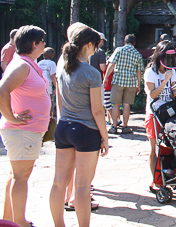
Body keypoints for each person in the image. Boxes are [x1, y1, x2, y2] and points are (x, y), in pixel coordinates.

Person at [49, 24, 108, 226]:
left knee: (58, 183)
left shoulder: (62, 67)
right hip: (85, 131)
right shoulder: (91, 73)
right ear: (89, 45)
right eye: (96, 46)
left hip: (64, 127)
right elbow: (97, 110)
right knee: (82, 186)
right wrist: (105, 137)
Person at [0, 26, 51, 227]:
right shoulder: (22, 65)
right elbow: (2, 90)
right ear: (34, 44)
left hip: (26, 131)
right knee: (21, 177)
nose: (44, 45)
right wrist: (10, 117)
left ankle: (8, 220)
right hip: (22, 131)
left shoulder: (27, 64)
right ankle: (19, 222)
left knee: (16, 175)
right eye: (42, 41)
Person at [144, 42, 176, 193]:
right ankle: (155, 179)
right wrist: (165, 80)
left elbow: (170, 94)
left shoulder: (171, 71)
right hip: (155, 113)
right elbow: (152, 94)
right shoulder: (151, 72)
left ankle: (173, 171)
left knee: (172, 142)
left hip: (168, 111)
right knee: (154, 147)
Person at [105, 34, 144, 135]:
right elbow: (139, 71)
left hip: (118, 80)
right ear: (134, 43)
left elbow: (112, 64)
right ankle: (125, 127)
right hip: (131, 82)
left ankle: (114, 127)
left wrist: (105, 78)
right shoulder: (137, 54)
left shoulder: (119, 50)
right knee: (127, 105)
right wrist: (138, 84)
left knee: (116, 104)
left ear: (125, 42)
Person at [89, 33, 110, 125]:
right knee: (99, 102)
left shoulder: (87, 51)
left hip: (86, 79)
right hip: (97, 80)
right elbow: (103, 68)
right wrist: (107, 63)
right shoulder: (100, 52)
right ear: (100, 41)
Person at [38, 47, 58, 113]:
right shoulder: (52, 63)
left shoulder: (39, 63)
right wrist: (56, 86)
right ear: (52, 55)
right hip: (48, 87)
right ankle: (50, 120)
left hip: (39, 85)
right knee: (50, 104)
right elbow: (52, 75)